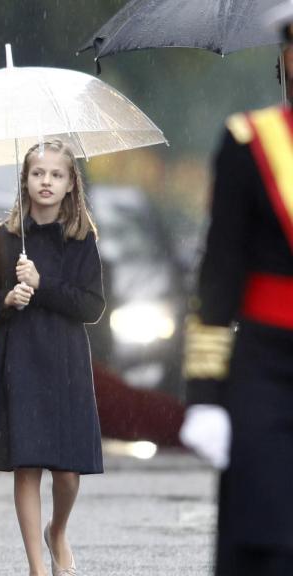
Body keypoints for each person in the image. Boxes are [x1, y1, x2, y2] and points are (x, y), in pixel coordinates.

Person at [179, 5, 293, 574]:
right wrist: (205, 393)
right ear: (286, 60)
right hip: (267, 370)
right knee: (266, 540)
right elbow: (220, 273)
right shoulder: (250, 142)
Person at [0, 139, 105, 576]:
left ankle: (57, 530)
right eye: (38, 173)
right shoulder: (5, 238)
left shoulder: (81, 240)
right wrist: (6, 299)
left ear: (70, 184)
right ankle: (36, 567)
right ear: (25, 180)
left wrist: (42, 285)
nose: (46, 181)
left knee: (66, 472)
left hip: (64, 361)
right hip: (18, 359)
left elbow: (91, 306)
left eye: (56, 175)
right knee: (25, 464)